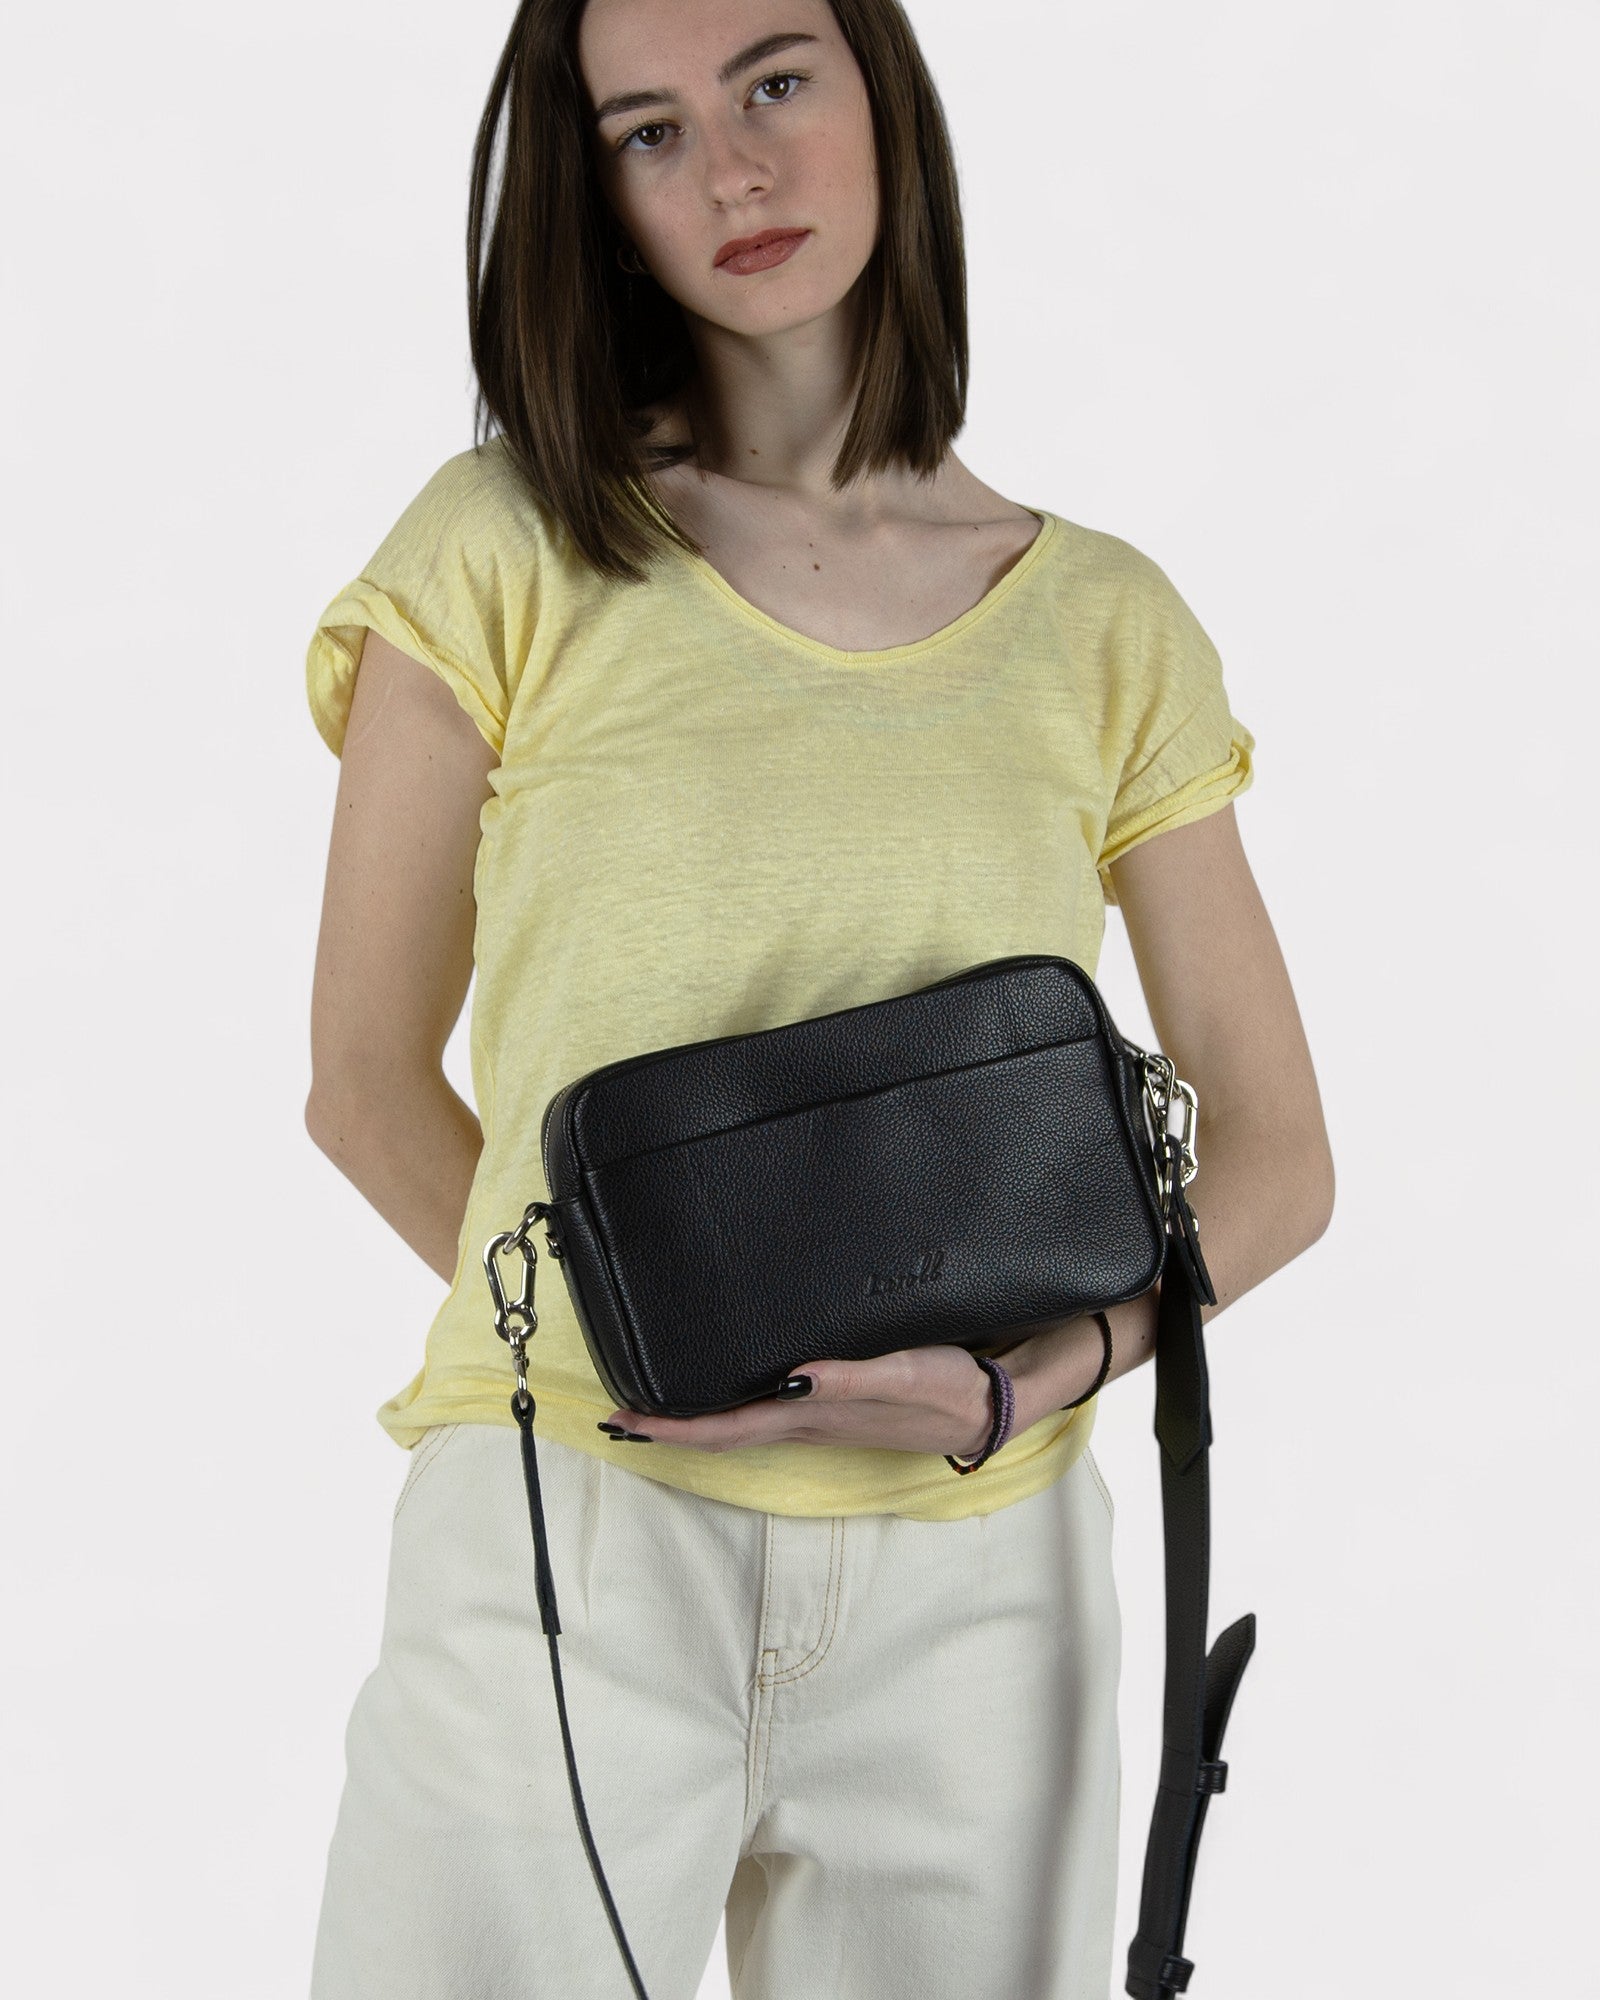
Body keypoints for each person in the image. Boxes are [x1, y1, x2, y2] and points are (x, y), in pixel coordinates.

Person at [300, 0, 1336, 1994]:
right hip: (576, 1534)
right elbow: (358, 1079)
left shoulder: (1100, 623)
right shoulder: (499, 546)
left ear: (881, 94)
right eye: (649, 131)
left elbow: (1277, 1158)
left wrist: (1021, 1381)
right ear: (592, 191)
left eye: (773, 81)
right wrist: (662, 1339)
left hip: (984, 1569)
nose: (734, 171)